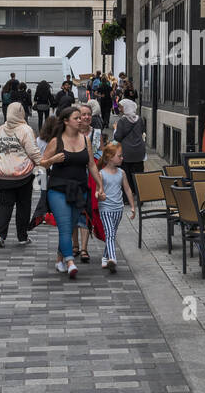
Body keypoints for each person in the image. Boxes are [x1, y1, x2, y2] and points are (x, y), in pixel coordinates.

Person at [40, 105, 103, 279]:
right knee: (65, 226)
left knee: (71, 224)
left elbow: (91, 165)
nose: (81, 120)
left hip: (79, 189)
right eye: (77, 118)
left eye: (81, 117)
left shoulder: (85, 140)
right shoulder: (56, 141)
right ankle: (70, 261)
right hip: (58, 189)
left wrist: (100, 186)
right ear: (66, 121)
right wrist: (52, 159)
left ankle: (60, 258)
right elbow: (42, 162)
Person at [0, 101, 39, 248]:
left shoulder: (1, 129)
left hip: (2, 175)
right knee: (23, 205)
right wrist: (43, 164)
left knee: (4, 205)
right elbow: (33, 151)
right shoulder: (25, 129)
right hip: (22, 175)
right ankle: (22, 236)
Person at [97, 141, 135, 273]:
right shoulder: (101, 174)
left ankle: (105, 257)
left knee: (111, 234)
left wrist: (132, 206)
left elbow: (128, 190)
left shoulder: (122, 173)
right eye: (120, 156)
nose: (122, 158)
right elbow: (97, 191)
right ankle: (112, 259)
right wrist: (99, 195)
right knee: (110, 233)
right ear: (109, 157)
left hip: (118, 209)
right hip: (105, 208)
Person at [71, 102, 101, 263]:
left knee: (85, 212)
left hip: (90, 179)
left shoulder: (96, 133)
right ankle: (74, 245)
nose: (87, 117)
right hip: (73, 179)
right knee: (73, 213)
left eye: (89, 114)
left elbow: (102, 155)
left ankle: (84, 248)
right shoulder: (69, 135)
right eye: (83, 115)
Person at [112, 97, 146, 196]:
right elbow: (142, 132)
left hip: (127, 152)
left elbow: (118, 137)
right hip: (139, 150)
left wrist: (115, 128)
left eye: (121, 107)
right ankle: (141, 196)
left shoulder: (122, 121)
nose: (120, 109)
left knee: (126, 174)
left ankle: (127, 197)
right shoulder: (139, 119)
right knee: (139, 174)